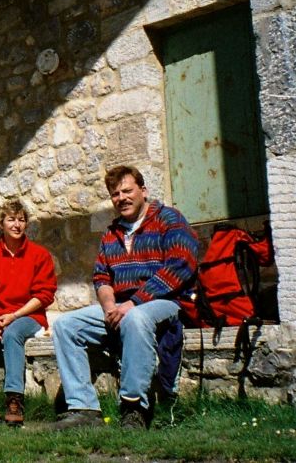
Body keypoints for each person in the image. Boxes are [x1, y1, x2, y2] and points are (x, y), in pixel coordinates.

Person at [50, 165, 198, 430]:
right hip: (121, 305)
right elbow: (101, 276)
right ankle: (84, 408)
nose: (122, 198)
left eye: (127, 190)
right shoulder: (112, 233)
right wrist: (109, 306)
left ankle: (134, 409)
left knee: (136, 318)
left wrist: (134, 302)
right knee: (66, 326)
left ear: (143, 191)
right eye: (115, 194)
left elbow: (180, 265)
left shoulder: (170, 220)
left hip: (163, 302)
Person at [0, 200, 57, 426]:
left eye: (21, 219)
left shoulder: (39, 255)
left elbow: (45, 294)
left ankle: (14, 400)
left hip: (28, 316)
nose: (17, 224)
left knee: (13, 334)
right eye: (11, 219)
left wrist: (14, 316)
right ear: (1, 224)